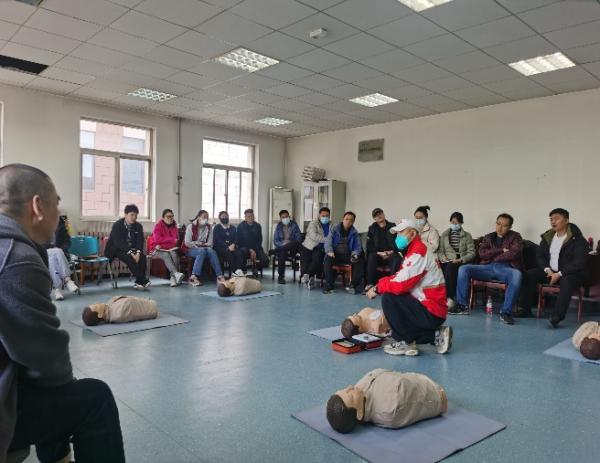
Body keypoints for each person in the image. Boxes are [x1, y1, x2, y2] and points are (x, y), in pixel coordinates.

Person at [0, 164, 125, 463]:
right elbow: (45, 355)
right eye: (56, 204)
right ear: (38, 207)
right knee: (94, 398)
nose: (58, 214)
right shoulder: (16, 258)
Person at [366, 219, 451, 356]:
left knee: (389, 298)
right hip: (431, 308)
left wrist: (377, 288)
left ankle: (405, 342)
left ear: (412, 234)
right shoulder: (415, 250)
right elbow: (400, 276)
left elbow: (401, 285)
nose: (398, 237)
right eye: (397, 234)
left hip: (431, 309)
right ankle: (435, 335)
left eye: (401, 233)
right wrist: (379, 284)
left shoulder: (418, 252)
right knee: (394, 302)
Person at [515, 209, 588, 328]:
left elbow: (578, 263)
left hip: (571, 274)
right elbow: (539, 256)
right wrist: (547, 270)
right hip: (550, 272)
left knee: (567, 281)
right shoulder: (548, 237)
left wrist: (559, 274)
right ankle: (524, 309)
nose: (553, 221)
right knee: (529, 274)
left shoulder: (578, 240)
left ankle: (557, 316)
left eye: (557, 218)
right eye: (551, 219)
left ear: (566, 220)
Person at [326, 368, 447, 434]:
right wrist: (439, 399)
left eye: (344, 389)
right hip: (433, 388)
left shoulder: (359, 388)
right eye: (350, 396)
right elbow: (427, 401)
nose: (350, 387)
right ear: (359, 413)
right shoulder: (390, 408)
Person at [452, 213, 522, 324]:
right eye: (498, 224)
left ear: (510, 227)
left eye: (504, 225)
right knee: (464, 269)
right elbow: (482, 253)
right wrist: (500, 250)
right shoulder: (488, 237)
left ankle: (505, 312)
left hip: (505, 268)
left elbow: (514, 253)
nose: (500, 227)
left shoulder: (515, 237)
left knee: (517, 274)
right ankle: (462, 306)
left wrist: (494, 257)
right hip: (487, 267)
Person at [105, 204, 150, 290]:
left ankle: (138, 282)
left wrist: (138, 253)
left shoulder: (138, 226)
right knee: (129, 257)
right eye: (132, 215)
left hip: (131, 249)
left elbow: (140, 241)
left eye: (136, 215)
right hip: (115, 249)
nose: (134, 217)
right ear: (125, 214)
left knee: (142, 257)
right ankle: (142, 280)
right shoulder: (117, 225)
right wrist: (131, 253)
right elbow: (119, 243)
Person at [438, 212, 475, 309]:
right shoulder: (444, 235)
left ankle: (449, 297)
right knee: (440, 268)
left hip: (461, 261)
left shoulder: (467, 236)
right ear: (450, 222)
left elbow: (472, 253)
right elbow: (440, 251)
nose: (454, 224)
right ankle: (439, 297)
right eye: (453, 222)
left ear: (461, 223)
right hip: (447, 260)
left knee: (450, 268)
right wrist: (444, 258)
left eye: (457, 223)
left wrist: (461, 259)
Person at [323, 211, 364, 295]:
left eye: (351, 220)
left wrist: (355, 254)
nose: (348, 221)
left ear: (353, 222)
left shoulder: (354, 232)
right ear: (343, 219)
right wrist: (330, 251)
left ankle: (353, 286)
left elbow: (357, 246)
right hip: (335, 254)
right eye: (346, 219)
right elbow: (328, 241)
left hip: (348, 255)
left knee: (359, 261)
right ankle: (329, 285)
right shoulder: (334, 229)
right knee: (327, 260)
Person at [184, 210, 225, 287]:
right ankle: (193, 277)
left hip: (205, 249)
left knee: (212, 251)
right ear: (198, 217)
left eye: (207, 217)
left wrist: (200, 245)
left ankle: (219, 276)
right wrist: (200, 244)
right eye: (204, 217)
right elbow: (187, 242)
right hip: (191, 249)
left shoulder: (209, 227)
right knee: (202, 251)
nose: (205, 219)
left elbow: (210, 243)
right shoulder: (190, 227)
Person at [365, 208, 400, 292]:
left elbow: (397, 242)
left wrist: (391, 252)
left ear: (384, 214)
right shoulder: (372, 228)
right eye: (376, 215)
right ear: (374, 218)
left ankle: (393, 283)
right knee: (371, 256)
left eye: (380, 213)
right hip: (378, 255)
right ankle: (370, 283)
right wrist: (379, 253)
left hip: (390, 254)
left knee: (396, 258)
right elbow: (369, 245)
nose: (379, 216)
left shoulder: (393, 226)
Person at [46, 215, 79, 300]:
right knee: (56, 252)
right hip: (45, 252)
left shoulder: (59, 220)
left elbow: (67, 241)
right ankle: (67, 280)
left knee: (52, 260)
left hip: (60, 255)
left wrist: (62, 248)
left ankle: (56, 289)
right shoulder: (37, 222)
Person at [150, 208, 184, 287]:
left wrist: (164, 243)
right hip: (156, 250)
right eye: (168, 217)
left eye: (172, 216)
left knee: (174, 254)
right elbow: (158, 239)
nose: (170, 218)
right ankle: (176, 274)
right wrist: (171, 240)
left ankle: (173, 278)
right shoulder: (158, 226)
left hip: (168, 249)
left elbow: (176, 241)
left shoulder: (175, 227)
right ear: (163, 218)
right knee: (166, 255)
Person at [300, 206, 330, 289]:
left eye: (327, 216)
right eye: (323, 215)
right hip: (309, 245)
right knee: (306, 257)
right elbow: (314, 236)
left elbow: (333, 236)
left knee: (317, 258)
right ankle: (309, 277)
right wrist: (327, 239)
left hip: (322, 248)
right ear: (319, 215)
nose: (325, 217)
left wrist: (327, 240)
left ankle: (307, 275)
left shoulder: (332, 225)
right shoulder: (313, 223)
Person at [82, 296, 158, 325]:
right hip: (152, 307)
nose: (96, 302)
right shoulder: (119, 312)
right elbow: (134, 303)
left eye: (94, 304)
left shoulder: (109, 307)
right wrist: (150, 302)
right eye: (96, 306)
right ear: (100, 315)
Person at [237, 208, 269, 277]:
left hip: (256, 247)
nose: (250, 218)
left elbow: (259, 240)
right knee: (242, 252)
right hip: (244, 248)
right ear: (245, 217)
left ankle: (255, 266)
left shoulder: (258, 226)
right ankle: (243, 270)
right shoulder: (240, 226)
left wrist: (254, 250)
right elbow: (240, 241)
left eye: (252, 216)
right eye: (248, 216)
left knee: (266, 260)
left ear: (254, 216)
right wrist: (250, 250)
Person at [272, 209, 301, 284]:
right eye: (283, 217)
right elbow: (275, 240)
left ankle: (275, 250)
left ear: (289, 217)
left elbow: (298, 239)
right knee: (282, 253)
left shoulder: (294, 225)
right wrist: (282, 243)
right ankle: (281, 277)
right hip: (282, 247)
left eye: (286, 216)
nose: (285, 218)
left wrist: (289, 242)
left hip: (292, 248)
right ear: (280, 218)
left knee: (292, 244)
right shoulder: (279, 226)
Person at [213, 210, 244, 276]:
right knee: (229, 254)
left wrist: (233, 244)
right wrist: (227, 247)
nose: (224, 217)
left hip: (232, 247)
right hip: (221, 248)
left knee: (239, 253)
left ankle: (238, 271)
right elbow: (217, 239)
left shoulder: (233, 227)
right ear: (220, 218)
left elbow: (236, 238)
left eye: (226, 216)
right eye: (223, 216)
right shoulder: (217, 227)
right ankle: (234, 272)